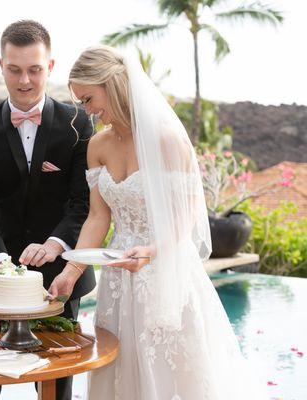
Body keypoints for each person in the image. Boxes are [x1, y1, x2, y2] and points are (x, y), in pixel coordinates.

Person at [48, 45, 264, 399]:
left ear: (112, 84)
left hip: (166, 272)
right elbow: (98, 217)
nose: (86, 111)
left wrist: (152, 249)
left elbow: (186, 216)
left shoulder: (167, 139)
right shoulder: (97, 145)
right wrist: (70, 274)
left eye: (88, 99)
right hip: (119, 278)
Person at [0, 20, 96, 400]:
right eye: (15, 69)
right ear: (1, 65)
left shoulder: (78, 123)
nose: (25, 81)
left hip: (60, 279)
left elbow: (83, 201)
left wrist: (56, 242)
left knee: (55, 388)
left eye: (34, 70)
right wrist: (1, 261)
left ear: (50, 67)